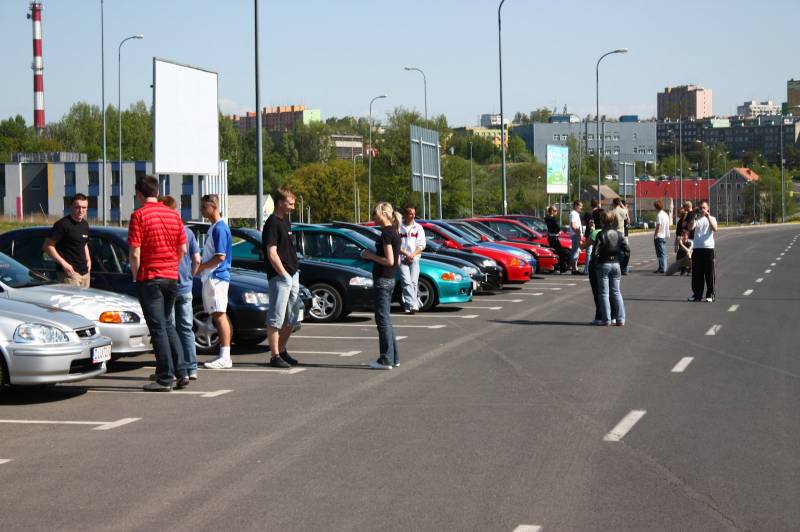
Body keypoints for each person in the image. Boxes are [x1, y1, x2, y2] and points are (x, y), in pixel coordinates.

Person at [128, 176, 187, 391]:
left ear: (139, 194)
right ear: (157, 192)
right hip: (171, 277)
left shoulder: (139, 216)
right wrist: (172, 266)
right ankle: (182, 370)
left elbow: (135, 252)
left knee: (158, 328)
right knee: (167, 323)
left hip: (150, 277)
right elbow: (183, 249)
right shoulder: (173, 215)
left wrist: (136, 275)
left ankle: (164, 377)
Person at [160, 196, 202, 379]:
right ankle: (192, 368)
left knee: (170, 328)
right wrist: (190, 276)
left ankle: (176, 368)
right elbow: (197, 259)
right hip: (186, 286)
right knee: (186, 328)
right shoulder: (188, 232)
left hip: (168, 284)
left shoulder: (165, 231)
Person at [262, 186, 301, 368]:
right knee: (276, 317)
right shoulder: (272, 223)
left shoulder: (286, 221)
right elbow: (272, 252)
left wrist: (293, 272)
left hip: (293, 274)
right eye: (290, 203)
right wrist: (283, 274)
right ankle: (274, 355)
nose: (292, 207)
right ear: (280, 203)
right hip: (281, 277)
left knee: (292, 318)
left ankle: (282, 350)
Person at [360, 202, 402, 369]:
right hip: (390, 278)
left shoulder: (386, 233)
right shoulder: (395, 232)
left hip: (383, 279)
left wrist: (369, 255)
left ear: (384, 213)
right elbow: (396, 261)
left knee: (382, 319)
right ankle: (394, 357)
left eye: (375, 214)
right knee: (386, 319)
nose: (373, 217)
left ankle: (385, 359)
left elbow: (390, 260)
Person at [195, 195, 234, 369]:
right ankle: (224, 354)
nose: (202, 211)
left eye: (204, 208)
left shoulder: (220, 228)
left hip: (217, 277)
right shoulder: (214, 227)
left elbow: (220, 256)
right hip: (213, 277)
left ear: (213, 207)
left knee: (220, 314)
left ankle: (225, 356)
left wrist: (202, 266)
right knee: (217, 314)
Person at [43, 193, 91, 288]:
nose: (81, 210)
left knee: (84, 302)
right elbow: (47, 246)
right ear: (71, 207)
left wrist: (88, 259)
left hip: (85, 274)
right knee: (72, 303)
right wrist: (64, 264)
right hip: (69, 275)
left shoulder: (85, 225)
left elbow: (84, 243)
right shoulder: (62, 225)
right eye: (78, 207)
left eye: (84, 207)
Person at [593, 210, 629, 326]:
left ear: (602, 221)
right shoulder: (619, 234)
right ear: (613, 220)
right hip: (616, 264)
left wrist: (596, 264)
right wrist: (623, 265)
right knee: (616, 292)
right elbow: (627, 250)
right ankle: (620, 319)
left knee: (604, 293)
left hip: (604, 263)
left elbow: (595, 252)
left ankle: (606, 319)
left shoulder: (601, 234)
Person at [687, 201, 717, 302]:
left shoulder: (712, 218)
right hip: (697, 249)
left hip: (708, 249)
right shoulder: (696, 219)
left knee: (709, 273)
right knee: (697, 274)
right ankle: (697, 295)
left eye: (704, 207)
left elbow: (715, 228)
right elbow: (690, 228)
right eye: (700, 208)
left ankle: (710, 295)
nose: (702, 209)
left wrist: (708, 217)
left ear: (708, 208)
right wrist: (694, 215)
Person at [399, 204, 426, 314]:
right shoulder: (399, 227)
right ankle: (413, 303)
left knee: (413, 282)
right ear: (405, 215)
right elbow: (396, 245)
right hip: (402, 258)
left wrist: (412, 255)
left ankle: (408, 305)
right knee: (406, 282)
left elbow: (421, 245)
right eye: (411, 214)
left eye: (414, 214)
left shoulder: (418, 227)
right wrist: (405, 254)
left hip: (414, 258)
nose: (413, 216)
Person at [545, 205, 569, 274]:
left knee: (557, 252)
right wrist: (558, 231)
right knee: (562, 252)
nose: (557, 212)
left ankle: (559, 267)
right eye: (555, 211)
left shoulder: (547, 218)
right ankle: (562, 268)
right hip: (554, 238)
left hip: (551, 237)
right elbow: (558, 228)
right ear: (552, 211)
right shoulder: (552, 219)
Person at [582, 199, 601, 273]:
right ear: (598, 204)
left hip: (589, 233)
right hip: (598, 233)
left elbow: (583, 223)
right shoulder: (600, 212)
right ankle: (596, 268)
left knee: (588, 252)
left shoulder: (588, 213)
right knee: (597, 251)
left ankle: (586, 269)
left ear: (591, 205)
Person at [653, 200, 671, 273]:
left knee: (660, 253)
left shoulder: (659, 215)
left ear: (656, 207)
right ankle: (662, 267)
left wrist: (655, 234)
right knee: (663, 252)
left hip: (659, 236)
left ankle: (662, 268)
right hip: (663, 235)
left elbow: (658, 225)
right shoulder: (665, 214)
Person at [568, 200, 584, 274]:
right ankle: (573, 268)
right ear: (576, 206)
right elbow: (573, 225)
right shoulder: (574, 214)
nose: (581, 207)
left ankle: (574, 268)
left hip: (576, 234)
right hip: (575, 235)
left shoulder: (575, 214)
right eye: (580, 206)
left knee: (576, 251)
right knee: (575, 251)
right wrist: (578, 233)